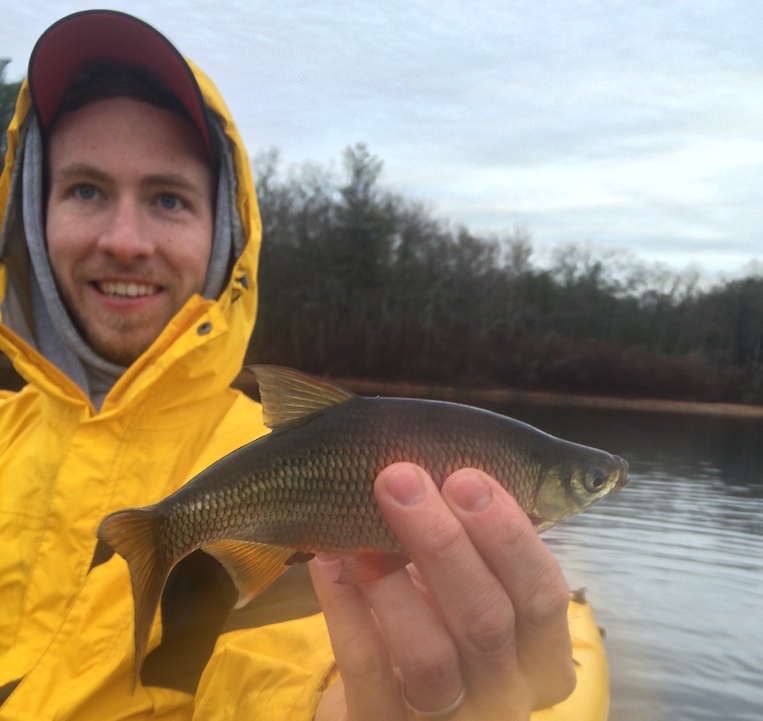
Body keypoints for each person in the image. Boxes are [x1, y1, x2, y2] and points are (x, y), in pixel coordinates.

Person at [0, 10, 599, 721]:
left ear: (227, 238)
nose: (125, 239)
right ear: (30, 222)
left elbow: (295, 659)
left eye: (168, 198)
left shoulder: (258, 446)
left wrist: (355, 701)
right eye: (86, 190)